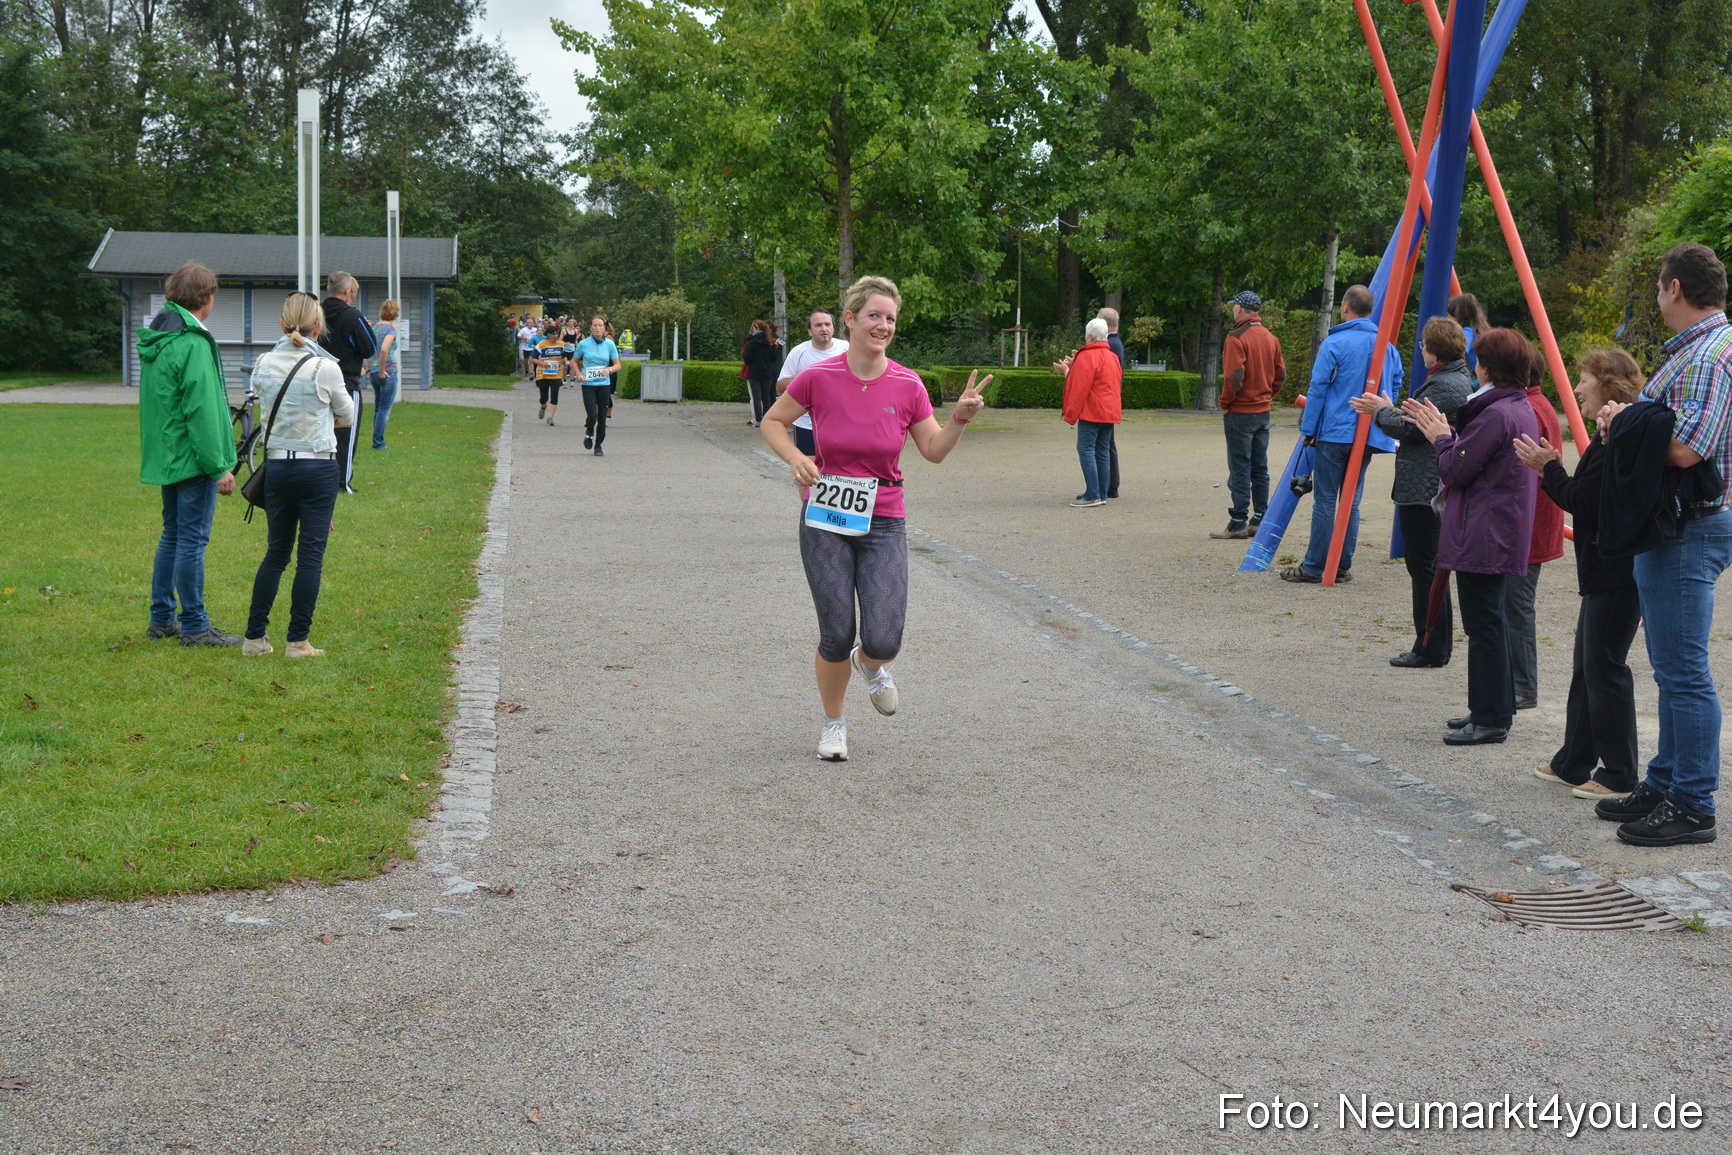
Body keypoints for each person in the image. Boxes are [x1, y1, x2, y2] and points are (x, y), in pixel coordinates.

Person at [760, 275, 988, 762]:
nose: (883, 325)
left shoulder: (907, 384)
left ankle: (872, 665)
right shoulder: (819, 377)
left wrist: (959, 421)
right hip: (825, 516)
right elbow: (773, 421)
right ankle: (834, 723)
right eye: (874, 316)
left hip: (883, 519)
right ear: (850, 319)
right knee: (836, 632)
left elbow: (933, 451)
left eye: (890, 319)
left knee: (884, 637)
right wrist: (795, 460)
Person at [1592, 242, 1732, 846]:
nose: (1655, 294)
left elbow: (1685, 449)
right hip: (1678, 524)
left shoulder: (1706, 356)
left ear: (1674, 288)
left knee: (1682, 671)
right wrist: (1629, 419)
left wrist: (1624, 421)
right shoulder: (1699, 351)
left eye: (1656, 285)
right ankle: (1667, 779)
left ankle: (1694, 803)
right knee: (1674, 668)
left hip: (1687, 526)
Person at [1512, 349, 1645, 801]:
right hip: (1604, 568)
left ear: (1608, 386)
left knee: (1605, 668)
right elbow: (1583, 495)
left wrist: (1548, 467)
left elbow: (1583, 502)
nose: (1579, 388)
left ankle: (1621, 772)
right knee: (1588, 668)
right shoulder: (1608, 440)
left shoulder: (1616, 443)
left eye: (1584, 380)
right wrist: (1551, 468)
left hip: (1617, 570)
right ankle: (1574, 760)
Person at [1401, 328, 1541, 745]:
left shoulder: (1497, 413)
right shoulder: (1516, 406)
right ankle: (1490, 708)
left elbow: (1455, 469)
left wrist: (1441, 437)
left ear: (1487, 367)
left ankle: (1490, 717)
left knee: (1484, 626)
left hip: (1486, 531)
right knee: (1488, 623)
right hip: (1495, 527)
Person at [1350, 315, 1474, 666]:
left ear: (1434, 352)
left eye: (1423, 345)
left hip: (1424, 488)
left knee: (1425, 570)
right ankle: (1432, 643)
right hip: (1428, 484)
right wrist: (1388, 410)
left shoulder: (1443, 386)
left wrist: (1379, 411)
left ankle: (1430, 646)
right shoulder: (1454, 379)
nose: (1420, 351)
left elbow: (1412, 430)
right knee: (1429, 570)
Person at [240, 292, 355, 659]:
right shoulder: (325, 368)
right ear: (318, 327)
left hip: (277, 466)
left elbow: (264, 402)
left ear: (281, 323)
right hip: (318, 466)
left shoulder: (263, 363)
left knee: (276, 553)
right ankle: (297, 641)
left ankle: (254, 638)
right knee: (310, 558)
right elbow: (347, 416)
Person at [137, 261, 241, 647]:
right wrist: (218, 467)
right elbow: (201, 410)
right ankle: (195, 625)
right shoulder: (192, 342)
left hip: (169, 454)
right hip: (193, 457)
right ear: (207, 298)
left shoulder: (159, 338)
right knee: (191, 540)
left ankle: (162, 618)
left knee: (173, 535)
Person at [1282, 285, 1401, 583]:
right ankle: (1342, 564)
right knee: (1352, 499)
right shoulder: (1387, 346)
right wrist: (1382, 415)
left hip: (1335, 431)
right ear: (1369, 310)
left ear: (1346, 306)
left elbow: (1318, 388)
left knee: (1325, 501)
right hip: (1368, 433)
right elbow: (1395, 383)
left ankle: (1316, 565)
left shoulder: (1335, 343)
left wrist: (1308, 430)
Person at [1505, 346, 1566, 707]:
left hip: (1528, 526)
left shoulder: (1529, 409)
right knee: (1515, 605)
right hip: (1533, 523)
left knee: (1517, 606)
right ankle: (1517, 682)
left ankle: (1523, 686)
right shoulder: (1538, 404)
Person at [1211, 290, 1287, 539]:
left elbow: (1235, 376)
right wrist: (1267, 396)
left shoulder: (1236, 337)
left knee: (1240, 468)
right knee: (1259, 467)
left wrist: (1225, 402)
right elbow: (1281, 375)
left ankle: (1238, 522)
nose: (1232, 309)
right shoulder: (1270, 337)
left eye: (1234, 306)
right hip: (1263, 411)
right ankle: (1260, 518)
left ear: (1242, 309)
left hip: (1240, 412)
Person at [320, 271, 377, 494]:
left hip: (317, 380)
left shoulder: (317, 313)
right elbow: (369, 347)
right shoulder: (352, 316)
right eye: (353, 292)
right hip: (346, 382)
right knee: (345, 434)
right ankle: (341, 482)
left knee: (321, 431)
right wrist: (366, 327)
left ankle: (322, 477)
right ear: (347, 291)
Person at [1062, 317, 1123, 507]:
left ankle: (1093, 494)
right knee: (1102, 451)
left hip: (1092, 411)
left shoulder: (1087, 356)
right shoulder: (1112, 356)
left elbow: (1078, 388)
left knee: (1086, 449)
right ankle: (1100, 492)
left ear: (1089, 337)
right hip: (1109, 411)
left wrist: (1070, 414)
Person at [777, 310, 850, 457]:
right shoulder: (799, 352)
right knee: (810, 470)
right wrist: (810, 383)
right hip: (807, 424)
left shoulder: (847, 348)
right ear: (810, 331)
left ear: (833, 328)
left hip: (842, 423)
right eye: (818, 325)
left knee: (841, 469)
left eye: (827, 324)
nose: (824, 328)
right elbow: (780, 386)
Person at [574, 316, 620, 455]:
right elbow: (574, 361)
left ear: (604, 327)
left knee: (602, 418)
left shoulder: (610, 344)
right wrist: (578, 374)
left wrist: (609, 369)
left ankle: (598, 446)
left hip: (604, 384)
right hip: (588, 384)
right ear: (591, 328)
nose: (598, 328)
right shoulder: (584, 344)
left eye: (600, 325)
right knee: (592, 416)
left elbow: (618, 365)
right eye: (595, 325)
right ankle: (589, 431)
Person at [1100, 307, 1125, 498]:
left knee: (1107, 445)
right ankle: (1110, 485)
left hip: (1107, 399)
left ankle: (1111, 486)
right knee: (1108, 444)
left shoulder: (1111, 344)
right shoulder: (1115, 342)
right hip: (1111, 398)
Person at [370, 300, 401, 450]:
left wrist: (368, 366)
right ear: (395, 313)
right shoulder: (391, 329)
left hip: (374, 372)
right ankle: (378, 443)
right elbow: (384, 349)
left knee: (378, 408)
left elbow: (368, 348)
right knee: (384, 409)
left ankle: (376, 440)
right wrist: (383, 370)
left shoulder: (374, 328)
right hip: (387, 372)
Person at [744, 319, 784, 427]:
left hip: (755, 372)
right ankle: (767, 418)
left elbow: (746, 358)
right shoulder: (771, 342)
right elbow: (775, 356)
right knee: (767, 396)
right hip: (768, 372)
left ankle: (757, 419)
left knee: (756, 397)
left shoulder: (752, 342)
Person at [532, 322, 567, 425]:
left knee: (554, 395)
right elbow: (533, 359)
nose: (555, 336)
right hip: (543, 374)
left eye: (556, 334)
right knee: (544, 398)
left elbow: (564, 356)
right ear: (548, 335)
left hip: (556, 374)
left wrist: (566, 361)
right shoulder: (542, 344)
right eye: (553, 334)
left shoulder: (561, 344)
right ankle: (543, 407)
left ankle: (550, 417)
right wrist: (542, 363)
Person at [1447, 293, 1488, 373]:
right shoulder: (1478, 329)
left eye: (1452, 315)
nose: (1448, 318)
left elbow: (1459, 351)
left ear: (1462, 316)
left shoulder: (1467, 332)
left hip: (1483, 374)